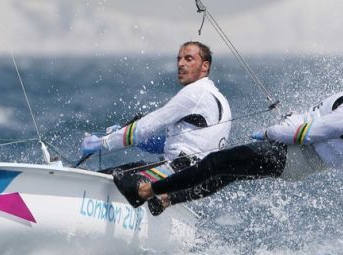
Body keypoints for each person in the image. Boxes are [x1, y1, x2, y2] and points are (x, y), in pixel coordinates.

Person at [115, 50, 343, 216]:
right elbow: (319, 126)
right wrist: (294, 124)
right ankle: (168, 199)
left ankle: (144, 190)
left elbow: (306, 134)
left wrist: (270, 132)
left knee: (215, 163)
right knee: (227, 175)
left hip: (291, 154)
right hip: (302, 165)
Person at [80, 41, 232, 211]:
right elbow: (186, 144)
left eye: (189, 59)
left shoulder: (195, 93)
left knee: (107, 177)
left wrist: (104, 142)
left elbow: (146, 126)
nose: (181, 64)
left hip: (178, 171)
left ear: (205, 66)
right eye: (179, 59)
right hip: (194, 182)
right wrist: (137, 141)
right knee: (131, 168)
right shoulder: (221, 100)